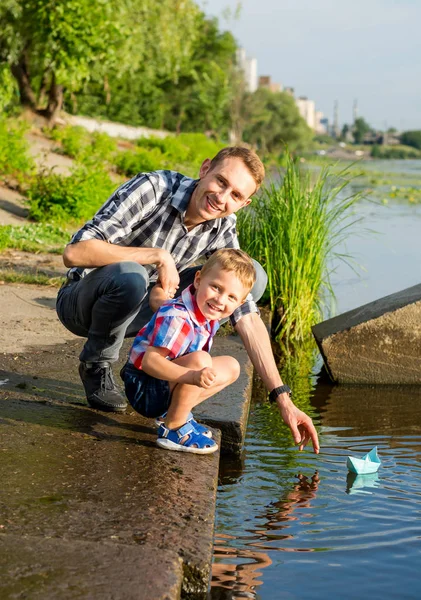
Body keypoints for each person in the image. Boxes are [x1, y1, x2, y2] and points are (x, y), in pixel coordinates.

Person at [56, 146, 319, 454]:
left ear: (244, 204)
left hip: (149, 306)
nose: (222, 198)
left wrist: (283, 399)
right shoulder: (154, 188)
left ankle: (169, 371)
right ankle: (97, 362)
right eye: (221, 182)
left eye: (235, 195)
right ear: (204, 168)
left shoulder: (223, 225)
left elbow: (246, 315)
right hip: (86, 300)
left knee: (249, 279)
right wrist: (157, 257)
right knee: (132, 275)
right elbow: (74, 252)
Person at [122, 248, 256, 454]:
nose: (220, 300)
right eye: (216, 287)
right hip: (144, 387)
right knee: (202, 361)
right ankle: (173, 428)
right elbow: (150, 362)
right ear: (198, 280)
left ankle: (175, 413)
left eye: (231, 297)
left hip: (163, 384)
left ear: (240, 303)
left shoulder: (206, 316)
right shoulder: (178, 316)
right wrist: (192, 376)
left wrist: (193, 375)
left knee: (232, 366)